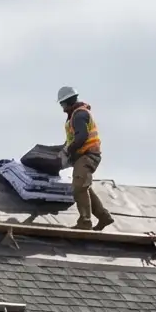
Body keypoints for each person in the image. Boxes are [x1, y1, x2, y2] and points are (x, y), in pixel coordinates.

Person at [58, 86, 112, 230]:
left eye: (62, 104)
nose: (62, 108)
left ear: (67, 102)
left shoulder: (79, 114)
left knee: (79, 188)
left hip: (88, 155)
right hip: (84, 155)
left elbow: (81, 137)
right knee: (85, 188)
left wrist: (68, 151)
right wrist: (64, 149)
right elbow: (73, 138)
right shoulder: (75, 116)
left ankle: (85, 222)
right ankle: (103, 217)